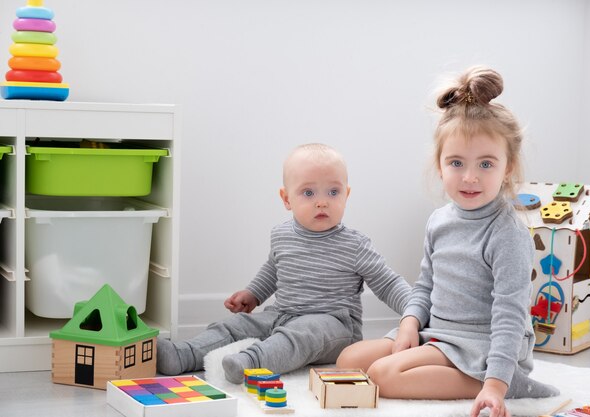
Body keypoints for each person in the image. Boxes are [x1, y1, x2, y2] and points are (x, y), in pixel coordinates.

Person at [336, 66, 559, 417]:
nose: (469, 177)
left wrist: (495, 383)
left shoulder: (507, 234)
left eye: (486, 164)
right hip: (437, 332)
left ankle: (501, 381)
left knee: (383, 374)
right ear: (440, 165)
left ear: (509, 168)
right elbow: (425, 286)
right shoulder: (439, 221)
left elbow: (510, 314)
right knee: (349, 359)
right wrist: (410, 322)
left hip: (482, 343)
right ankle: (445, 364)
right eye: (456, 162)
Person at [157, 142, 412, 384]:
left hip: (333, 325)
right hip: (282, 314)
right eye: (308, 192)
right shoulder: (282, 235)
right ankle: (184, 354)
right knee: (237, 325)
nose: (322, 201)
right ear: (287, 198)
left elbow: (388, 283)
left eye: (333, 192)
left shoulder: (354, 245)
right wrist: (253, 294)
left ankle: (251, 362)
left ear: (346, 195)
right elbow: (273, 269)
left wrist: (415, 313)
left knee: (303, 334)